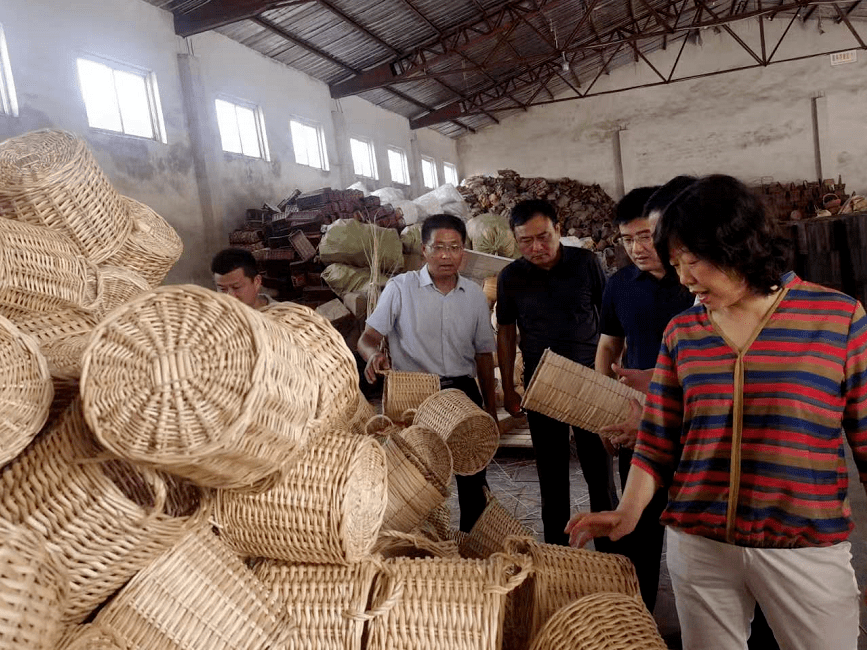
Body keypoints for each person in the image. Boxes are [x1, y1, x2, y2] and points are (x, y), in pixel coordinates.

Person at [567, 174, 867, 650]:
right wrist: (628, 512)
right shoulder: (683, 333)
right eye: (676, 263)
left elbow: (866, 437)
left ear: (738, 246)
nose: (684, 279)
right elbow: (659, 435)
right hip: (699, 542)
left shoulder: (836, 317)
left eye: (691, 262)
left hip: (802, 542)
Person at [358, 213, 499, 532]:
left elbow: (483, 356)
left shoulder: (475, 295)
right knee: (415, 483)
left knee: (473, 481)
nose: (446, 255)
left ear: (464, 251)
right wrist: (373, 356)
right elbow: (368, 339)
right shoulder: (400, 288)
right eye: (438, 247)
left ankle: (472, 548)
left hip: (463, 394)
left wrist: (489, 406)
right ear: (424, 250)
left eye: (454, 247)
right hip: (415, 398)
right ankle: (419, 554)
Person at [595, 181, 695, 612]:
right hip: (635, 423)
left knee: (694, 534)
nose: (637, 247)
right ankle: (639, 619)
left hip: (693, 426)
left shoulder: (695, 280)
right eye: (627, 239)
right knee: (637, 529)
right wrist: (605, 405)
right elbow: (607, 347)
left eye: (645, 235)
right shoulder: (620, 285)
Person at [497, 198, 617, 547]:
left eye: (543, 237)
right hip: (542, 384)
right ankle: (557, 553)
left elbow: (609, 320)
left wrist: (612, 374)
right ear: (515, 241)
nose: (536, 247)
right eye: (525, 241)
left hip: (589, 381)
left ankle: (610, 552)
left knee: (600, 474)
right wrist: (509, 386)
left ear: (558, 230)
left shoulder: (586, 263)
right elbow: (506, 331)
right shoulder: (511, 277)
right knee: (551, 476)